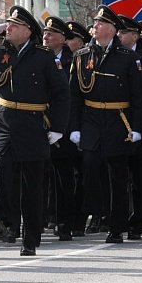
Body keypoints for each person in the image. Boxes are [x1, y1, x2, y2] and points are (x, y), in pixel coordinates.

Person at [0, 6, 70, 256]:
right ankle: (0, 217)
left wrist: (58, 127)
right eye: (7, 24)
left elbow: (61, 93)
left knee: (31, 185)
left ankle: (30, 239)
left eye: (13, 25)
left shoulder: (43, 56)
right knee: (1, 170)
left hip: (33, 122)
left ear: (27, 31)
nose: (8, 28)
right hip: (3, 121)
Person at [69, 7, 142, 243]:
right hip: (91, 119)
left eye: (101, 23)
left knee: (117, 177)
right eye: (95, 22)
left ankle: (116, 226)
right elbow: (74, 95)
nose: (95, 26)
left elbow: (138, 96)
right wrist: (74, 127)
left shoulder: (128, 57)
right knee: (90, 167)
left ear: (112, 30)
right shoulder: (82, 55)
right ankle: (99, 211)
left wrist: (138, 127)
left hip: (118, 121)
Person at [43, 16, 88, 240]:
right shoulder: (38, 58)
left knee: (65, 178)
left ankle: (66, 222)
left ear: (63, 39)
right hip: (40, 125)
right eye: (44, 33)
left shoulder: (75, 62)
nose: (46, 37)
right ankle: (44, 217)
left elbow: (76, 98)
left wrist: (73, 129)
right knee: (42, 176)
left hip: (66, 128)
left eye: (51, 34)